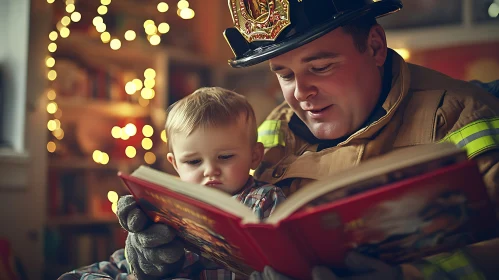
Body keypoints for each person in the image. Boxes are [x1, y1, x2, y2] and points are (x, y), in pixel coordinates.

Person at [60, 0, 499, 279]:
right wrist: (160, 255)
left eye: (320, 67)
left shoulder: (460, 114)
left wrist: (407, 276)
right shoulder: (271, 126)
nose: (300, 94)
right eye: (284, 74)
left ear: (375, 45)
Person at [58, 87, 286, 280]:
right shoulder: (170, 201)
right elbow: (136, 256)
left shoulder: (265, 200)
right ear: (175, 164)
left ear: (255, 155)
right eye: (193, 161)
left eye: (225, 157)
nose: (210, 170)